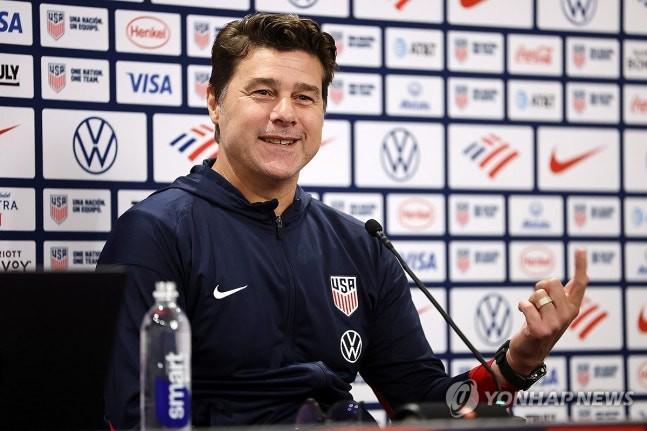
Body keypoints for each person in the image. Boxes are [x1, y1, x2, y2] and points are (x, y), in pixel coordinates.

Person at [98, 12, 589, 428]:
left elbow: (430, 407)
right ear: (215, 102)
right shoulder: (157, 232)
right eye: (263, 92)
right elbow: (133, 415)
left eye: (305, 97)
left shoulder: (360, 245)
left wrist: (518, 361)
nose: (285, 114)